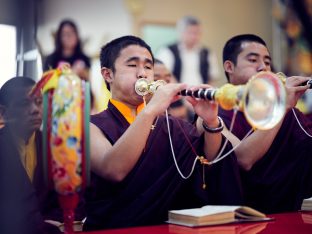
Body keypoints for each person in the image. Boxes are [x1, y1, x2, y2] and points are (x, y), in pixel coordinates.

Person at [84, 35, 243, 230]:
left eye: (148, 67)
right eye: (132, 65)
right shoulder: (92, 126)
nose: (142, 73)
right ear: (108, 75)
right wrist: (151, 110)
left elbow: (209, 165)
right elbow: (113, 169)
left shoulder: (174, 127)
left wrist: (210, 121)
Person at [220, 34, 312, 213]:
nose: (263, 67)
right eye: (253, 60)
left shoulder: (288, 111)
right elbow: (243, 160)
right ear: (229, 66)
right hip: (245, 213)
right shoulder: (214, 113)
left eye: (267, 62)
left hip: (294, 210)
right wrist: (282, 106)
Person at [0, 77, 61, 233]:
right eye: (24, 104)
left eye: (39, 102)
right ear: (3, 113)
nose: (35, 109)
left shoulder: (54, 146)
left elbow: (63, 197)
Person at [157, 16, 219, 86]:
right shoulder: (167, 51)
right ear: (181, 32)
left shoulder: (207, 52)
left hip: (201, 94)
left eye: (197, 33)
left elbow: (212, 77)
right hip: (177, 93)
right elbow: (164, 75)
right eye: (190, 32)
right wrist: (179, 92)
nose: (194, 36)